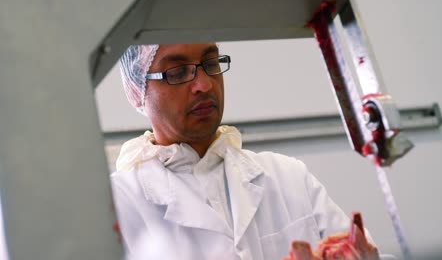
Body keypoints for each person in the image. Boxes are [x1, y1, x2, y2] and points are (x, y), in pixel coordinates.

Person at [111, 42, 381, 259]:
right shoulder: (119, 204)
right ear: (138, 89)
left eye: (211, 64)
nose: (204, 85)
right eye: (178, 72)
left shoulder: (287, 176)